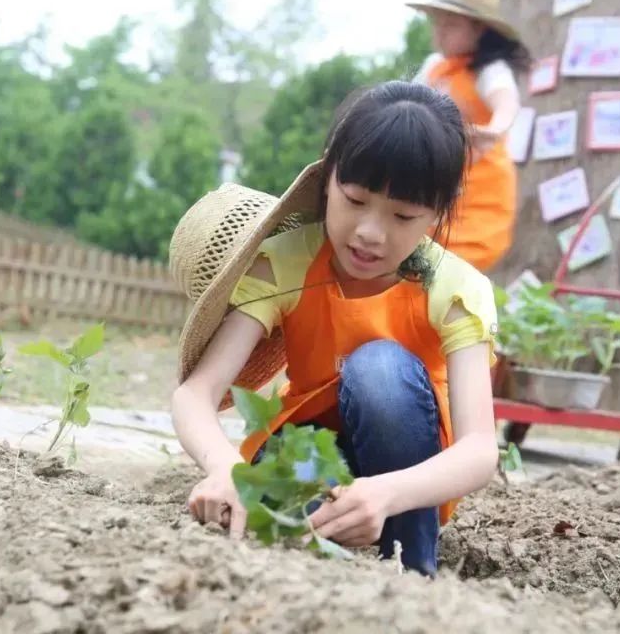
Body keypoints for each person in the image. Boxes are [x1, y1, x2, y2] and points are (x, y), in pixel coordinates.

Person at [167, 81, 500, 576]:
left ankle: (411, 568)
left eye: (403, 215)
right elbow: (196, 393)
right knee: (275, 519)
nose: (370, 232)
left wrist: (386, 493)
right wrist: (225, 467)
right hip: (306, 455)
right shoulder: (286, 263)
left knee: (379, 369)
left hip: (408, 480)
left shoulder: (454, 290)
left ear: (437, 212)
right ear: (328, 179)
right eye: (355, 199)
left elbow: (479, 450)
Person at [408, 0, 532, 272]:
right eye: (437, 23)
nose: (440, 32)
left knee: (451, 273)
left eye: (451, 25)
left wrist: (494, 130)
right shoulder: (433, 67)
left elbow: (506, 101)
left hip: (479, 195)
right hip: (434, 188)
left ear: (479, 29)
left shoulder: (490, 70)